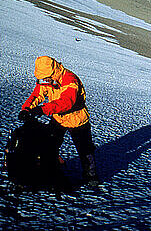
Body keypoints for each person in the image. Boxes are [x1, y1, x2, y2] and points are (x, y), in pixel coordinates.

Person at [19, 56, 98, 185]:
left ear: (53, 71)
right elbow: (38, 94)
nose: (45, 81)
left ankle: (91, 176)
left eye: (46, 78)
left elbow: (66, 102)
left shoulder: (70, 80)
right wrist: (26, 109)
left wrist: (42, 110)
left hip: (77, 120)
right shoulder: (47, 79)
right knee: (49, 145)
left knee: (85, 150)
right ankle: (50, 170)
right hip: (58, 119)